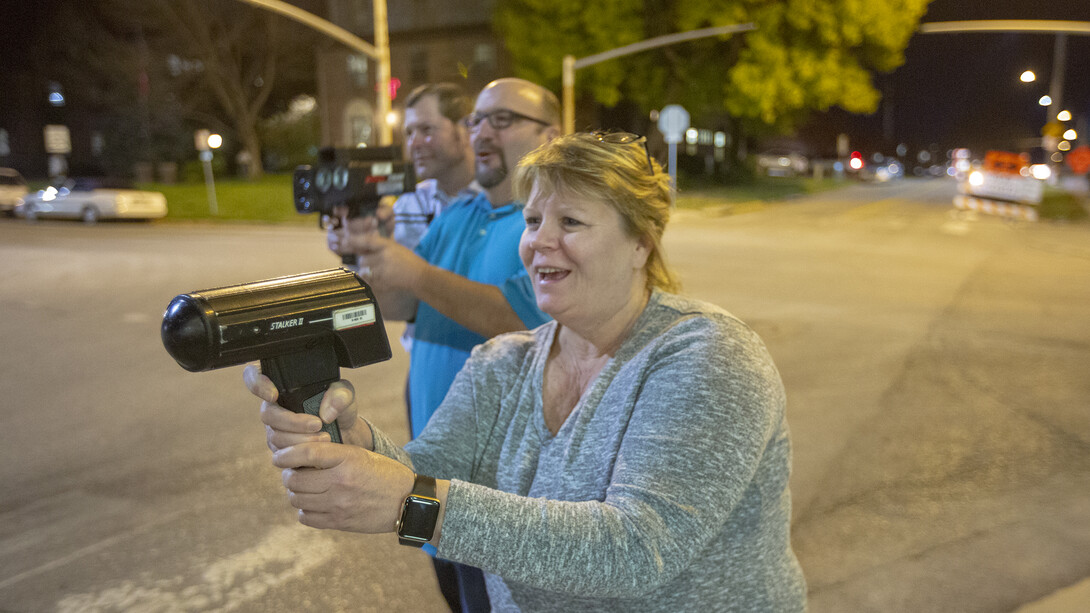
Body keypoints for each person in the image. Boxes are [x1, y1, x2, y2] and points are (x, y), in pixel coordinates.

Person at [246, 131, 808, 611]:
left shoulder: (706, 353)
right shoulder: (502, 360)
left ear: (642, 242)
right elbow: (426, 471)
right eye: (532, 219)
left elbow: (638, 550)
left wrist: (411, 503)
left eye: (570, 221)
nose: (540, 240)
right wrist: (350, 440)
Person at [324, 77, 560, 612]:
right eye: (477, 119)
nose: (483, 131)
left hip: (506, 492)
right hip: (438, 461)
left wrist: (417, 273)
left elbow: (521, 319)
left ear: (551, 134)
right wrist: (359, 255)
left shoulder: (550, 226)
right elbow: (403, 303)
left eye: (502, 119)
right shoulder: (460, 214)